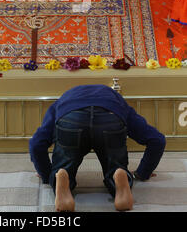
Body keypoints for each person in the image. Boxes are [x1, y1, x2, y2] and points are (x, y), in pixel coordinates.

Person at [29, 84, 166, 212]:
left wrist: (46, 174)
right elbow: (157, 140)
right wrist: (143, 172)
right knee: (115, 163)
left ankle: (61, 175)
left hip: (71, 118)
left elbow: (36, 143)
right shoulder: (118, 101)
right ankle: (118, 175)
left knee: (64, 162)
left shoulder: (61, 102)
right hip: (110, 118)